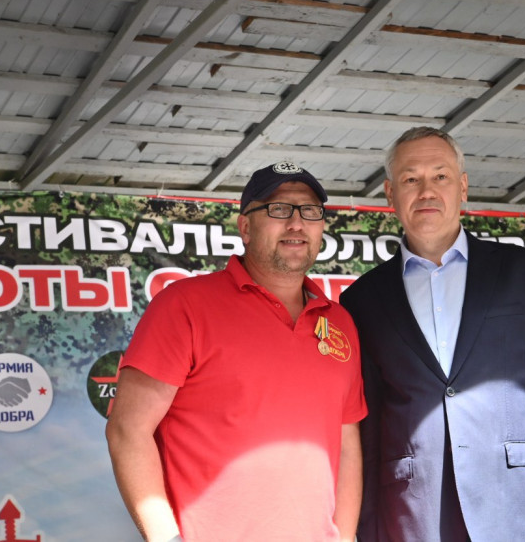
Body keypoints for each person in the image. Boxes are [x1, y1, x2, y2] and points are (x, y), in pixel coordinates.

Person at [340, 127, 525, 542]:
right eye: (411, 179)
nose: (426, 190)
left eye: (440, 176)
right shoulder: (361, 300)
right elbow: (367, 433)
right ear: (390, 194)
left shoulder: (523, 272)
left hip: (518, 512)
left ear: (462, 187)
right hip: (412, 517)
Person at [106, 162, 367, 542]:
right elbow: (127, 430)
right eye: (279, 209)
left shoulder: (339, 321)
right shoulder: (185, 304)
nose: (297, 223)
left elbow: (347, 445)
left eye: (310, 211)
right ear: (245, 226)